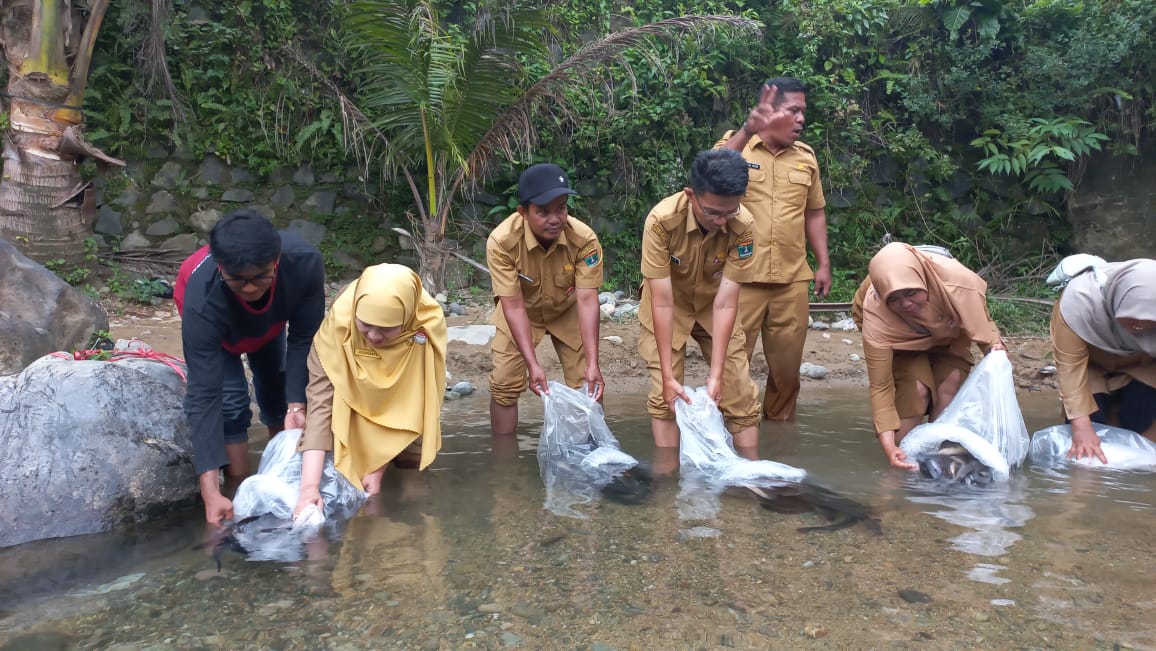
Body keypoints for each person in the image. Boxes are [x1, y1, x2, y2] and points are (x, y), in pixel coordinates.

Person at [175, 210, 326, 524]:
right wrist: (209, 493)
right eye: (237, 280)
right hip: (219, 327)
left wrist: (297, 403)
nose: (248, 288)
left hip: (269, 322)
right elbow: (204, 394)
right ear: (220, 268)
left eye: (259, 277)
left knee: (278, 388)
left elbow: (303, 340)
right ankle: (237, 484)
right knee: (230, 401)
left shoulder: (304, 264)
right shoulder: (202, 296)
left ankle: (280, 471)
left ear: (277, 261)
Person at [639, 148, 763, 468]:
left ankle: (751, 472)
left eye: (729, 212)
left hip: (713, 302)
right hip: (670, 303)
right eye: (712, 212)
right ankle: (666, 475)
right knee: (666, 396)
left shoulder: (744, 225)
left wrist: (717, 375)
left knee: (739, 392)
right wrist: (668, 376)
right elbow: (662, 300)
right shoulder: (661, 221)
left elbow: (726, 302)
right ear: (691, 195)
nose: (721, 222)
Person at [717, 76, 831, 422]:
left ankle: (780, 441)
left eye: (803, 112)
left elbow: (814, 212)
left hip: (791, 280)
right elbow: (710, 172)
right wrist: (746, 130)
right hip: (741, 278)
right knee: (734, 367)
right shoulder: (738, 147)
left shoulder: (806, 158)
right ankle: (732, 436)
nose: (801, 119)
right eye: (793, 111)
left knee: (787, 375)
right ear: (770, 111)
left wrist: (823, 262)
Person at [294, 264, 447, 516]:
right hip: (352, 401)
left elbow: (412, 404)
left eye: (386, 329)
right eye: (365, 325)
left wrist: (378, 468)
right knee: (350, 472)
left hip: (406, 410)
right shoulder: (337, 329)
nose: (374, 336)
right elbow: (321, 408)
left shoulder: (423, 329)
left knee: (413, 481)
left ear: (407, 318)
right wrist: (308, 488)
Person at [850, 243, 1005, 470]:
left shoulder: (957, 284)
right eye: (895, 298)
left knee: (950, 383)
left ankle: (941, 456)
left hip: (947, 332)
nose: (905, 304)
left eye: (911, 293)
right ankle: (903, 463)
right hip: (899, 335)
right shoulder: (876, 313)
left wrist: (995, 351)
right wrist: (888, 446)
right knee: (917, 390)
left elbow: (983, 325)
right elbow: (880, 386)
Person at [486, 163, 605, 435]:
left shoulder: (584, 239)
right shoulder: (502, 242)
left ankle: (593, 452)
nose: (555, 218)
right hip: (520, 312)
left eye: (561, 208)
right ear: (523, 213)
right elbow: (512, 305)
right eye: (543, 211)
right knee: (505, 384)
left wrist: (593, 363)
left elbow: (587, 301)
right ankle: (504, 463)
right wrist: (533, 365)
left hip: (568, 311)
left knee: (588, 385)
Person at [1050, 258, 1156, 463]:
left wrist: (1149, 443)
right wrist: (1082, 428)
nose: (1138, 327)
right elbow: (1069, 367)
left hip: (1144, 367)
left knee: (1138, 421)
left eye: (1148, 322)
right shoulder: (1079, 304)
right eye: (1132, 318)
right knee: (1084, 442)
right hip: (1090, 367)